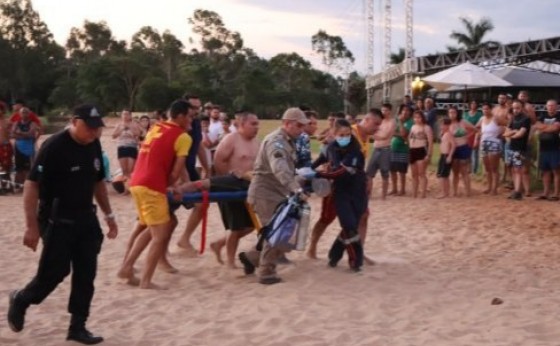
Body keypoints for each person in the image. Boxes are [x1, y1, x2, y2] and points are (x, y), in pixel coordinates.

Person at [7, 104, 118, 345]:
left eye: (97, 129)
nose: (94, 133)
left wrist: (109, 216)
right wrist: (31, 226)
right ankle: (22, 299)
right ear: (75, 121)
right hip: (57, 220)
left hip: (86, 219)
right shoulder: (54, 146)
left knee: (86, 273)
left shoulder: (94, 144)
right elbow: (31, 185)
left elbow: (98, 182)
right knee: (55, 272)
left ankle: (78, 326)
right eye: (89, 128)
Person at [118, 99, 194, 289]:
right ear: (181, 116)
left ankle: (126, 268)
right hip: (151, 186)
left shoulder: (156, 127)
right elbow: (177, 170)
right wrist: (170, 185)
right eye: (190, 116)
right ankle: (145, 280)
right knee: (160, 235)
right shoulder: (183, 136)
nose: (192, 121)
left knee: (152, 229)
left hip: (136, 183)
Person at [176, 112, 260, 268]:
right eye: (253, 124)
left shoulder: (256, 142)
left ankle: (218, 244)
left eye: (257, 124)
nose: (257, 127)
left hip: (248, 187)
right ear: (241, 125)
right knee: (236, 227)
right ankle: (230, 262)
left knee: (251, 225)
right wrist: (227, 180)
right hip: (231, 186)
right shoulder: (231, 139)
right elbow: (218, 160)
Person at [238, 107, 309, 285]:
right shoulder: (276, 142)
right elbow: (280, 168)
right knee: (275, 233)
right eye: (299, 125)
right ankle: (266, 272)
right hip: (265, 193)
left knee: (282, 232)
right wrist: (296, 189)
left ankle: (251, 258)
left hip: (277, 193)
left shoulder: (289, 141)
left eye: (303, 126)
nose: (302, 129)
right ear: (287, 124)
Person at [306, 110, 380, 261]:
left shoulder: (364, 137)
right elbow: (328, 150)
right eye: (375, 124)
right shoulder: (348, 131)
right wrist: (319, 170)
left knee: (362, 216)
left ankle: (359, 250)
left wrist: (365, 179)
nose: (377, 128)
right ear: (366, 120)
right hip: (337, 184)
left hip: (354, 186)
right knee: (326, 218)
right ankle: (312, 247)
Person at [310, 119, 367, 271]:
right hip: (341, 193)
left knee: (351, 225)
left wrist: (317, 173)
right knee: (349, 226)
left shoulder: (356, 151)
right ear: (334, 134)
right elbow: (322, 158)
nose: (345, 137)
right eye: (341, 134)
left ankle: (334, 255)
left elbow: (341, 172)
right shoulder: (330, 148)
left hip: (358, 192)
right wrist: (309, 168)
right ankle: (355, 262)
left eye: (348, 134)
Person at [366, 103, 396, 200]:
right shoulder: (379, 121)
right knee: (369, 172)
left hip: (385, 149)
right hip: (376, 148)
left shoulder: (392, 122)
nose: (384, 112)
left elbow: (385, 136)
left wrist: (373, 135)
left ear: (390, 111)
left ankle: (384, 196)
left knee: (385, 173)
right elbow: (372, 132)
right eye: (382, 110)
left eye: (386, 110)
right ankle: (368, 194)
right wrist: (374, 135)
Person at [503, 100, 531, 200]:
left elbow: (521, 134)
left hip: (520, 148)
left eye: (517, 108)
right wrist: (514, 132)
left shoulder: (526, 119)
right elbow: (505, 133)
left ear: (522, 108)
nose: (515, 110)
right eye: (514, 108)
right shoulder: (512, 119)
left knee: (518, 169)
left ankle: (518, 191)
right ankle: (516, 190)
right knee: (514, 169)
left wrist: (512, 134)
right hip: (512, 147)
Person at [533, 99, 560, 200]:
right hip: (543, 148)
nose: (550, 107)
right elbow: (536, 126)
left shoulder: (558, 116)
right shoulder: (542, 116)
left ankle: (556, 194)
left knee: (556, 171)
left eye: (553, 105)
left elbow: (555, 128)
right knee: (545, 171)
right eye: (549, 105)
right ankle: (545, 193)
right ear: (546, 106)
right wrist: (548, 127)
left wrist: (543, 128)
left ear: (557, 107)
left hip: (555, 147)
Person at [476, 102, 503, 195]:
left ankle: (495, 188)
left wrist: (501, 134)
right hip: (484, 143)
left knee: (494, 168)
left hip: (494, 143)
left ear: (491, 109)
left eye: (487, 109)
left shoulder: (496, 118)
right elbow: (476, 128)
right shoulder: (482, 119)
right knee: (487, 168)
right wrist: (477, 137)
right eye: (483, 109)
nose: (485, 111)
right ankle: (489, 187)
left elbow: (506, 125)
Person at [448, 106, 476, 197]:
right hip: (453, 149)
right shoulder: (448, 124)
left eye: (454, 112)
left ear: (457, 113)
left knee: (464, 172)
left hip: (463, 147)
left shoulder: (463, 122)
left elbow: (475, 129)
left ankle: (468, 191)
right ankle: (455, 191)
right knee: (455, 172)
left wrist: (467, 136)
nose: (452, 114)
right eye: (450, 112)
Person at [11, 107, 39, 191]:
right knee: (19, 168)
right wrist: (24, 135)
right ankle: (19, 186)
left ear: (29, 113)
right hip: (18, 147)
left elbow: (31, 134)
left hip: (28, 148)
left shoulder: (32, 123)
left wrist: (19, 133)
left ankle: (28, 186)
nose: (24, 114)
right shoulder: (16, 123)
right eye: (22, 112)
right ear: (19, 114)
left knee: (28, 169)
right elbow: (12, 134)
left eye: (26, 112)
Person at [408, 110, 433, 198]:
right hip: (412, 150)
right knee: (414, 174)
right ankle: (414, 193)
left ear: (422, 118)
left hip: (421, 150)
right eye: (415, 117)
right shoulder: (413, 127)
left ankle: (423, 193)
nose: (417, 119)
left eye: (419, 117)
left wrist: (429, 154)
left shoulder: (426, 127)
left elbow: (430, 142)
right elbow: (409, 138)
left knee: (421, 173)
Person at [389, 104, 414, 196]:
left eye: (407, 110)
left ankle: (402, 189)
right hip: (393, 147)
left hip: (403, 149)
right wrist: (398, 134)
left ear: (410, 112)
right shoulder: (396, 120)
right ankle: (394, 188)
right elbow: (391, 132)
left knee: (402, 171)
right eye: (403, 110)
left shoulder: (410, 122)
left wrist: (399, 122)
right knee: (392, 170)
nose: (405, 112)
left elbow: (404, 133)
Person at [112, 109, 143, 180]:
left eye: (127, 114)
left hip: (132, 146)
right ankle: (126, 187)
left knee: (130, 169)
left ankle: (129, 187)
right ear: (121, 116)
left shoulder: (134, 124)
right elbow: (113, 136)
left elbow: (139, 133)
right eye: (123, 114)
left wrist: (130, 129)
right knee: (124, 170)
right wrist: (121, 130)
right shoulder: (119, 125)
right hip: (121, 146)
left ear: (130, 116)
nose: (125, 116)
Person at [436, 118, 456, 198]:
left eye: (443, 125)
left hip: (446, 155)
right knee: (444, 175)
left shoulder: (448, 134)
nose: (441, 126)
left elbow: (453, 145)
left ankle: (444, 192)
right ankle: (446, 192)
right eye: (441, 125)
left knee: (442, 175)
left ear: (448, 125)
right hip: (443, 155)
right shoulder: (444, 134)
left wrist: (450, 156)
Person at [463, 100, 483, 173]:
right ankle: (468, 169)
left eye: (475, 103)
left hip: (475, 135)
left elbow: (479, 126)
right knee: (467, 153)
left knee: (475, 153)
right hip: (466, 135)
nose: (473, 105)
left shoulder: (479, 114)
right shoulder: (465, 114)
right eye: (471, 103)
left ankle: (474, 170)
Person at [0, 101, 14, 193]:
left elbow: (12, 134)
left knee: (5, 167)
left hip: (5, 146)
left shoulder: (7, 122)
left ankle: (6, 186)